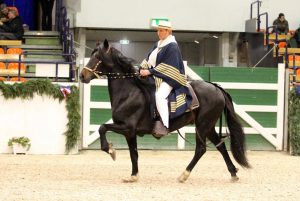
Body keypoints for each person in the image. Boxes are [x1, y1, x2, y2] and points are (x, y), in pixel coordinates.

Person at [140, 21, 192, 136]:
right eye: (158, 30)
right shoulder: (158, 44)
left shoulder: (172, 46)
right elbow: (150, 59)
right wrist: (142, 68)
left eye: (161, 30)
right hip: (158, 75)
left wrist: (149, 71)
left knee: (159, 96)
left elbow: (169, 67)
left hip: (171, 77)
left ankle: (164, 125)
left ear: (168, 31)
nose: (158, 33)